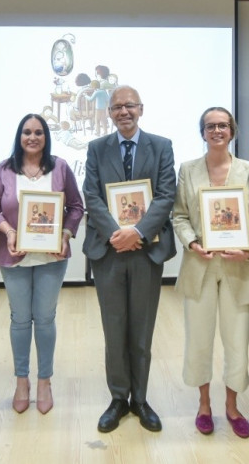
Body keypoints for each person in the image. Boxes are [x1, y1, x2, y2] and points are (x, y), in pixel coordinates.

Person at [82, 85, 177, 433]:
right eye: (117, 107)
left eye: (130, 106)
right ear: (109, 113)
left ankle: (141, 398)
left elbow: (167, 195)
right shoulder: (95, 149)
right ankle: (118, 398)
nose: (124, 111)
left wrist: (136, 232)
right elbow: (91, 195)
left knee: (142, 328)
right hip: (108, 252)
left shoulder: (162, 146)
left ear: (141, 109)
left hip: (146, 251)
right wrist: (115, 234)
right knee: (114, 327)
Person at [171, 107, 249, 438]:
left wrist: (248, 248)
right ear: (202, 132)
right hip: (199, 266)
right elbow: (179, 216)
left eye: (222, 125)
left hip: (239, 269)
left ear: (232, 130)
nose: (216, 130)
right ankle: (204, 405)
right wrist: (192, 241)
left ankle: (232, 406)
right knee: (198, 340)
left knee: (236, 340)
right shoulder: (187, 170)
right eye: (210, 126)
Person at [0, 113, 84, 415]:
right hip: (14, 256)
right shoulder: (4, 169)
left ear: (46, 136)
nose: (32, 137)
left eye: (38, 132)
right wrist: (9, 231)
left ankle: (44, 381)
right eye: (27, 132)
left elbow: (76, 206)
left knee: (44, 319)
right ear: (19, 136)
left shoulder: (60, 167)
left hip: (51, 258)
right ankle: (21, 381)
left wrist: (66, 234)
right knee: (19, 320)